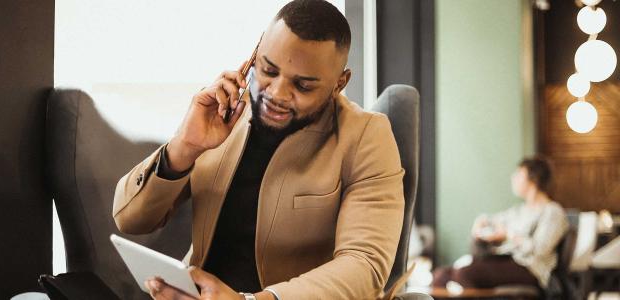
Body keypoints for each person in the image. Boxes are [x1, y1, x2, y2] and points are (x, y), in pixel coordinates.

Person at [112, 1, 406, 299]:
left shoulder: (367, 136)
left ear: (339, 84)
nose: (276, 93)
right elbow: (130, 220)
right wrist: (184, 147)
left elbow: (364, 266)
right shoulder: (221, 111)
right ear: (254, 54)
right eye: (268, 70)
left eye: (303, 86)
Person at [432, 156, 569, 290]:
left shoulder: (552, 212)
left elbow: (540, 249)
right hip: (505, 259)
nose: (513, 178)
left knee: (465, 274)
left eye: (518, 175)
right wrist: (481, 222)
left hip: (530, 269)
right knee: (440, 276)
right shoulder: (520, 210)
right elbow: (492, 220)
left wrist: (508, 235)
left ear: (533, 179)